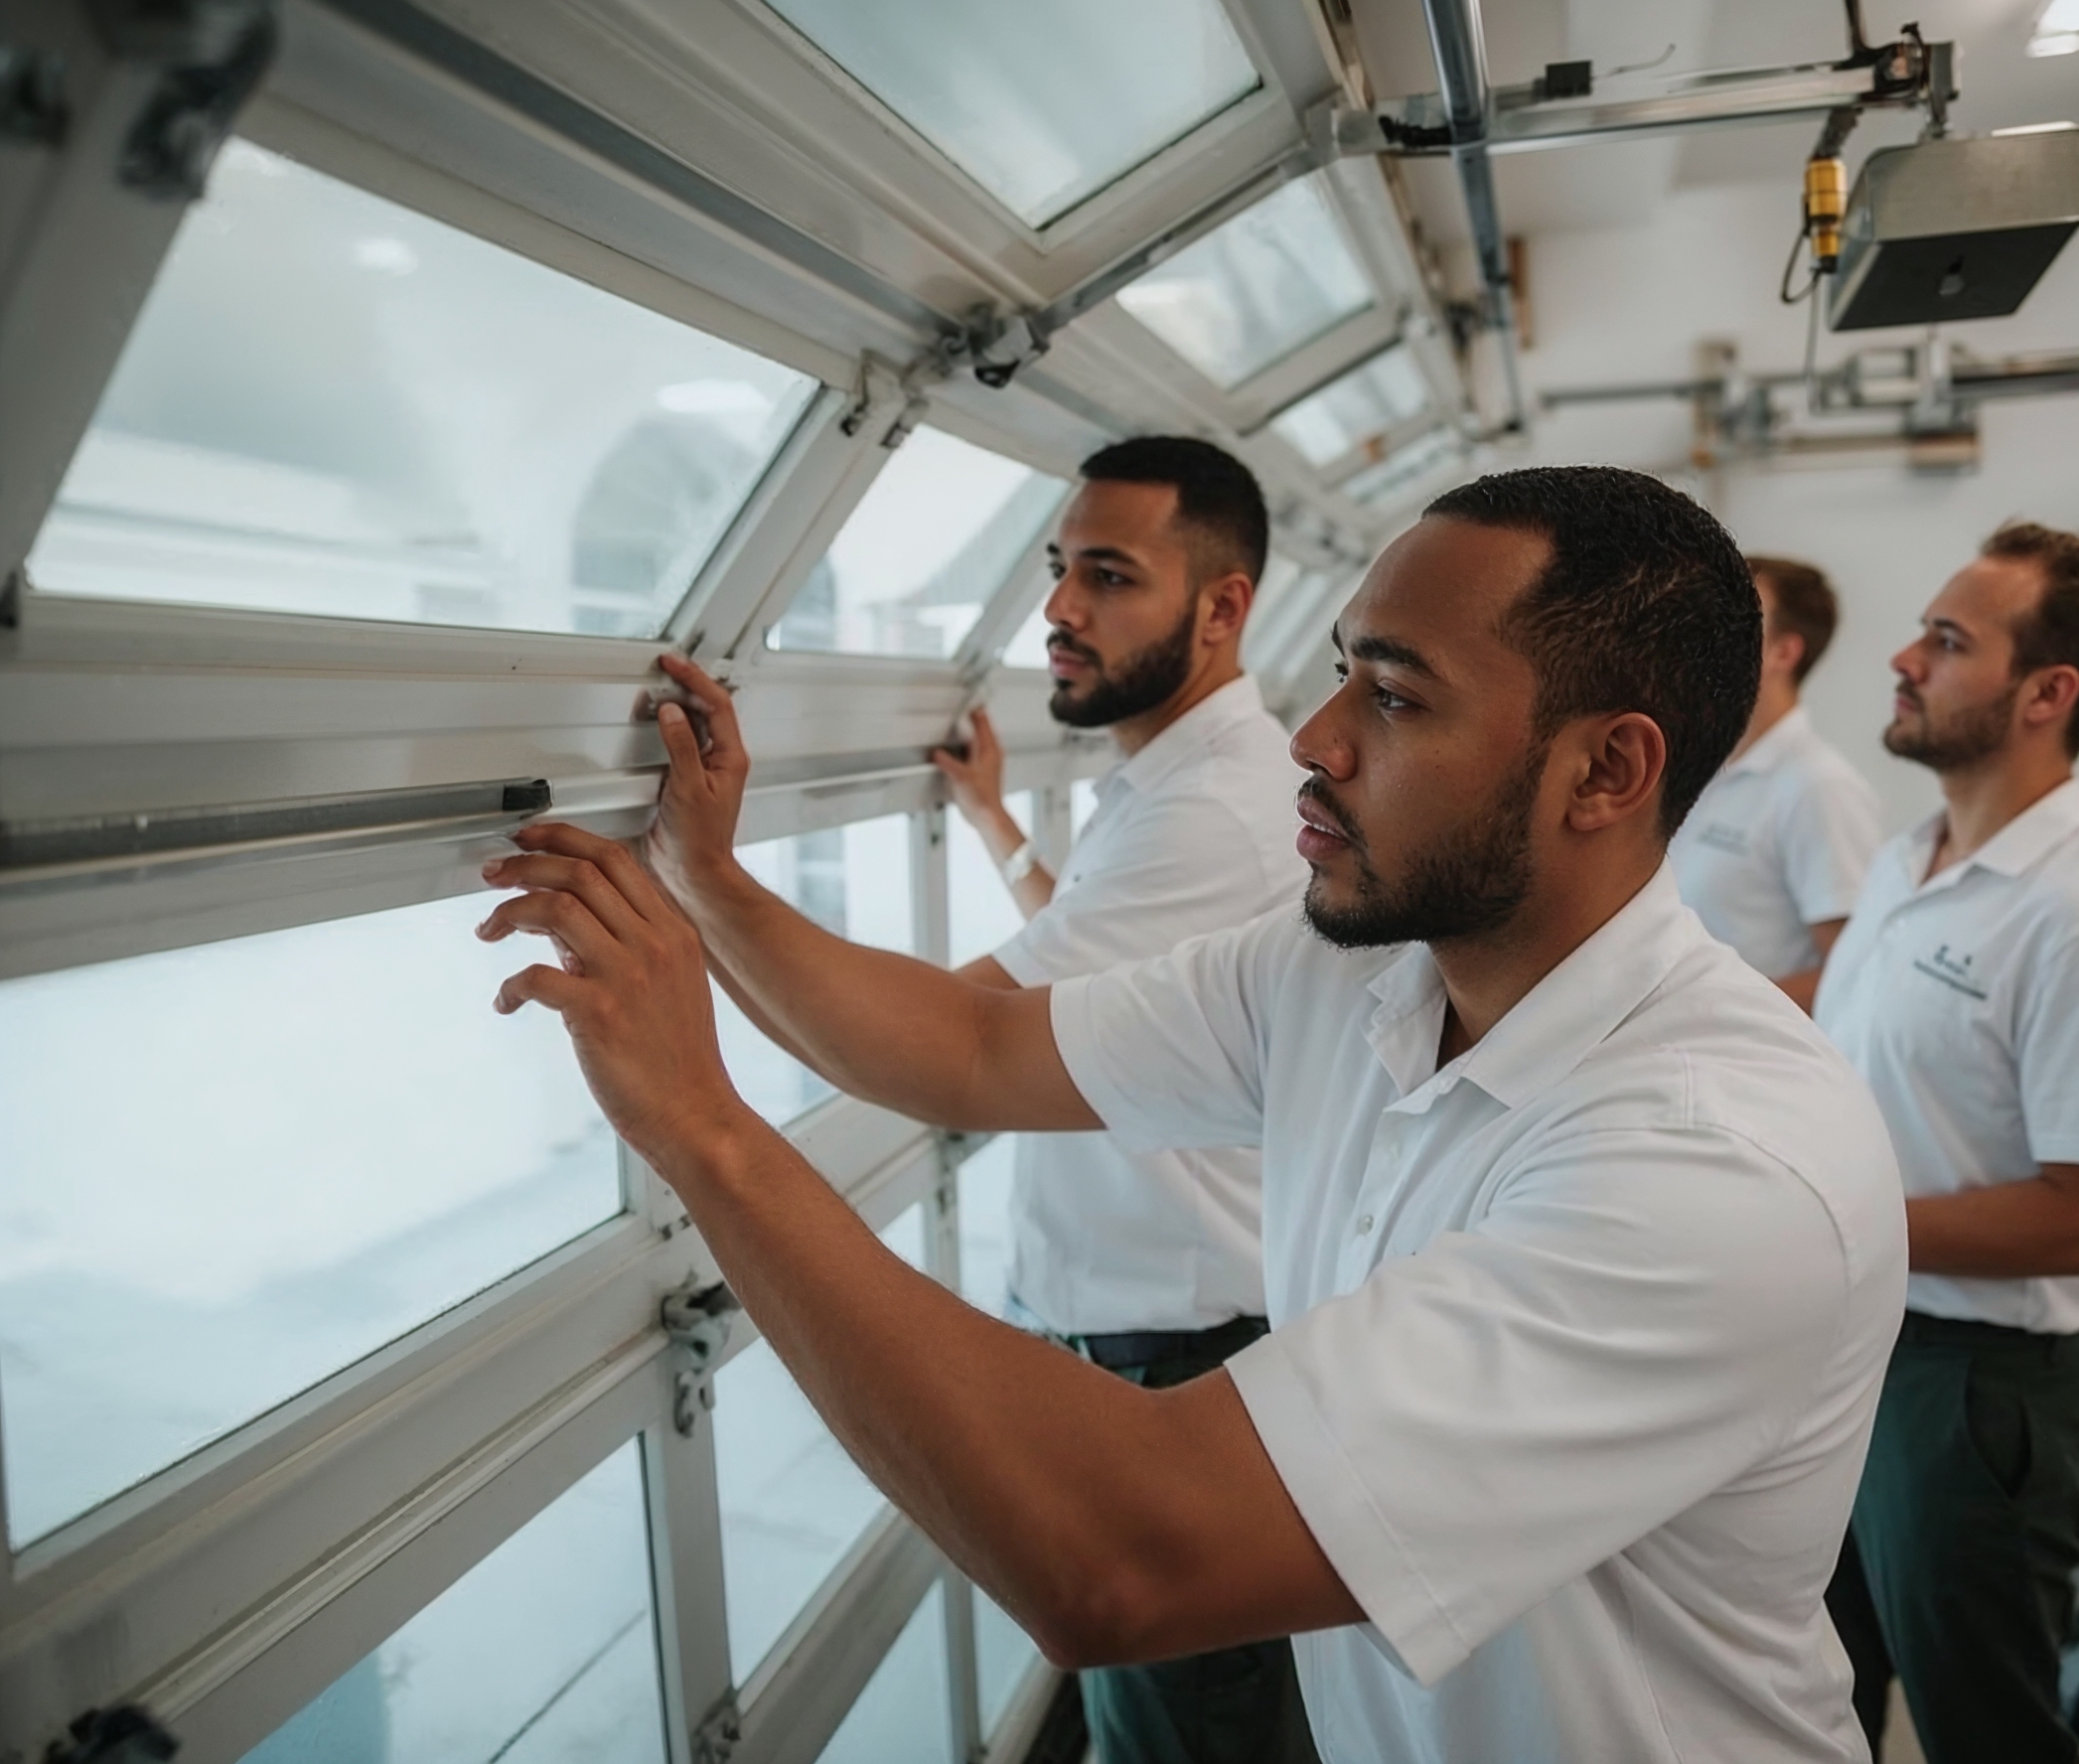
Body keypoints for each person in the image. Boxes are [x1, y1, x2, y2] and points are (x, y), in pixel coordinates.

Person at [475, 466, 1907, 1763]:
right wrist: (705, 879)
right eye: (1341, 672)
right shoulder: (1347, 971)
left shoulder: (1715, 1163)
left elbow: (1114, 1559)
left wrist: (702, 1125)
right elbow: (973, 1048)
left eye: (1396, 698)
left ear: (1607, 771)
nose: (1315, 739)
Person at [926, 436, 1311, 1764]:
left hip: (1178, 1362)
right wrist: (994, 824)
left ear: (1221, 608)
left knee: (1182, 1737)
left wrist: (702, 897)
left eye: (1108, 575)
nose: (1058, 608)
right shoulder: (1172, 790)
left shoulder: (1215, 813)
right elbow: (1095, 953)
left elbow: (958, 1038)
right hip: (1159, 1348)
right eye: (1057, 568)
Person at [1812, 522, 2079, 1764]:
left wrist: (1828, 1222)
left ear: (2046, 694)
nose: (1902, 659)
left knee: (1982, 1732)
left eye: (1945, 641)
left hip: (1975, 1391)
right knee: (1817, 1701)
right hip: (1855, 1345)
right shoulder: (1905, 862)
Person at [1668, 556, 1879, 1010]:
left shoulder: (1819, 787)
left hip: (1732, 1044)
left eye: (1731, 620)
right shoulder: (1698, 763)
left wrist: (1708, 1012)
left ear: (1784, 652)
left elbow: (1855, 970)